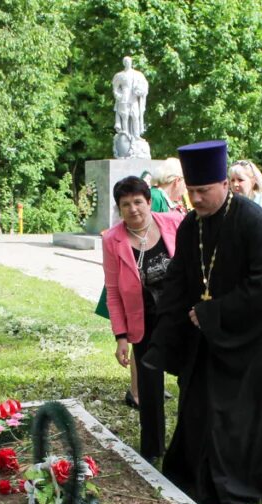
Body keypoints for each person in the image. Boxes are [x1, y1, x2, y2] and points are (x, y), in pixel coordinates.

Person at [142, 140, 262, 504]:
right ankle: (193, 475)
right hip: (209, 334)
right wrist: (162, 338)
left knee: (234, 413)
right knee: (199, 404)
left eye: (203, 191)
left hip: (255, 336)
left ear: (223, 185)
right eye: (192, 191)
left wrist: (211, 313)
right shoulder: (190, 227)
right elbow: (179, 282)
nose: (196, 199)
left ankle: (234, 483)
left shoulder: (256, 223)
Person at [102, 176, 183, 461]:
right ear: (119, 209)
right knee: (149, 387)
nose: (133, 209)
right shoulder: (112, 240)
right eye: (125, 204)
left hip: (179, 319)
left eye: (138, 201)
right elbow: (113, 292)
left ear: (149, 202)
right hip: (143, 321)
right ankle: (153, 449)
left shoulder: (174, 223)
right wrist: (120, 336)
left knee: (189, 379)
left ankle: (188, 442)